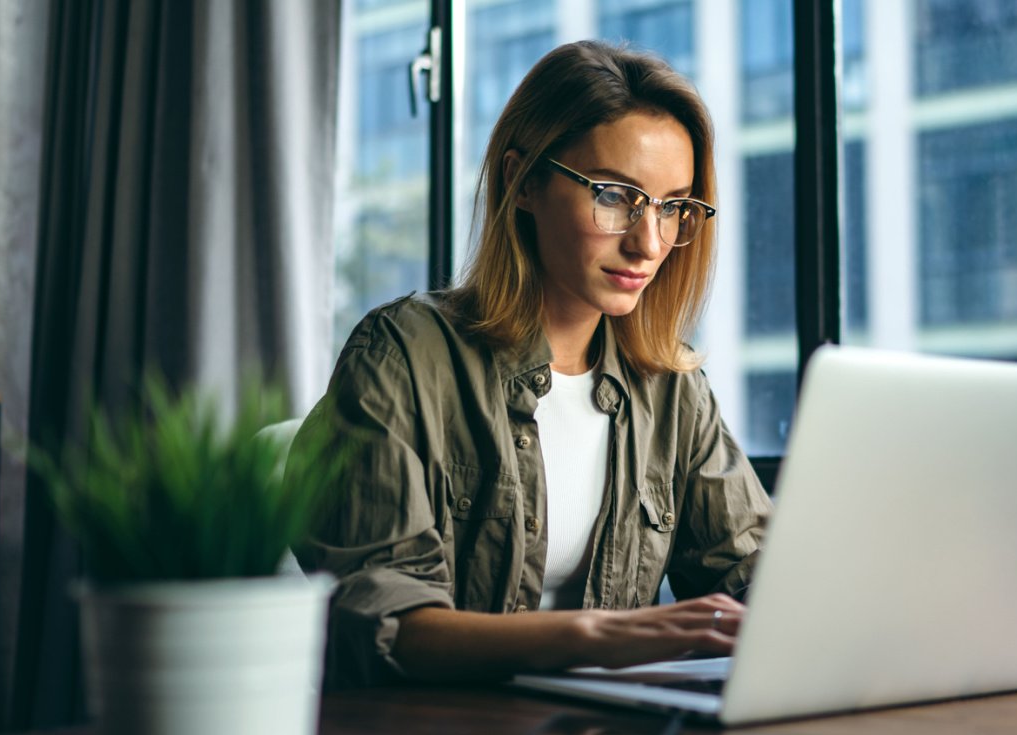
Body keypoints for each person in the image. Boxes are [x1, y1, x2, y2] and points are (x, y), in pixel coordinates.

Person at [294, 41, 771, 688]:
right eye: (614, 196)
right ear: (524, 182)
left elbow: (751, 578)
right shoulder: (403, 355)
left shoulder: (673, 388)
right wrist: (594, 637)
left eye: (672, 206)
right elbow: (383, 621)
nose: (648, 242)